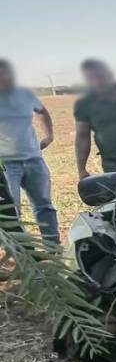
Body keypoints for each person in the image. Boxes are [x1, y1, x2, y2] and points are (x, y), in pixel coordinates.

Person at [0, 59, 59, 243]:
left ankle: (53, 247)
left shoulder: (24, 94)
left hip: (34, 159)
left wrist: (49, 136)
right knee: (12, 213)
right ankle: (25, 253)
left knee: (44, 206)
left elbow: (41, 111)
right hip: (6, 165)